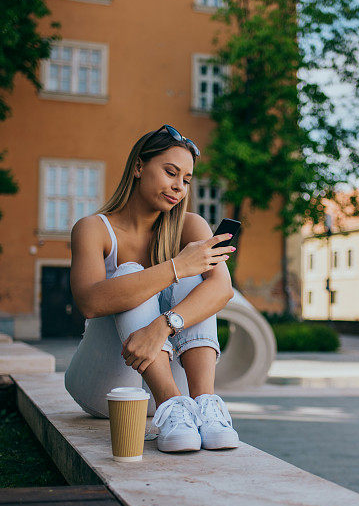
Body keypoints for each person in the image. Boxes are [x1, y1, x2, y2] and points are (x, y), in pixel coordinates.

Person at [64, 125, 239, 453]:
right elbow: (88, 302)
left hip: (172, 375)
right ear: (139, 166)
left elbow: (222, 290)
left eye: (186, 180)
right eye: (170, 173)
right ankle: (171, 403)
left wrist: (162, 325)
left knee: (199, 279)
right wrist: (178, 267)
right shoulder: (93, 228)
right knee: (132, 271)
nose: (178, 187)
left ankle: (203, 405)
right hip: (106, 387)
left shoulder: (191, 225)